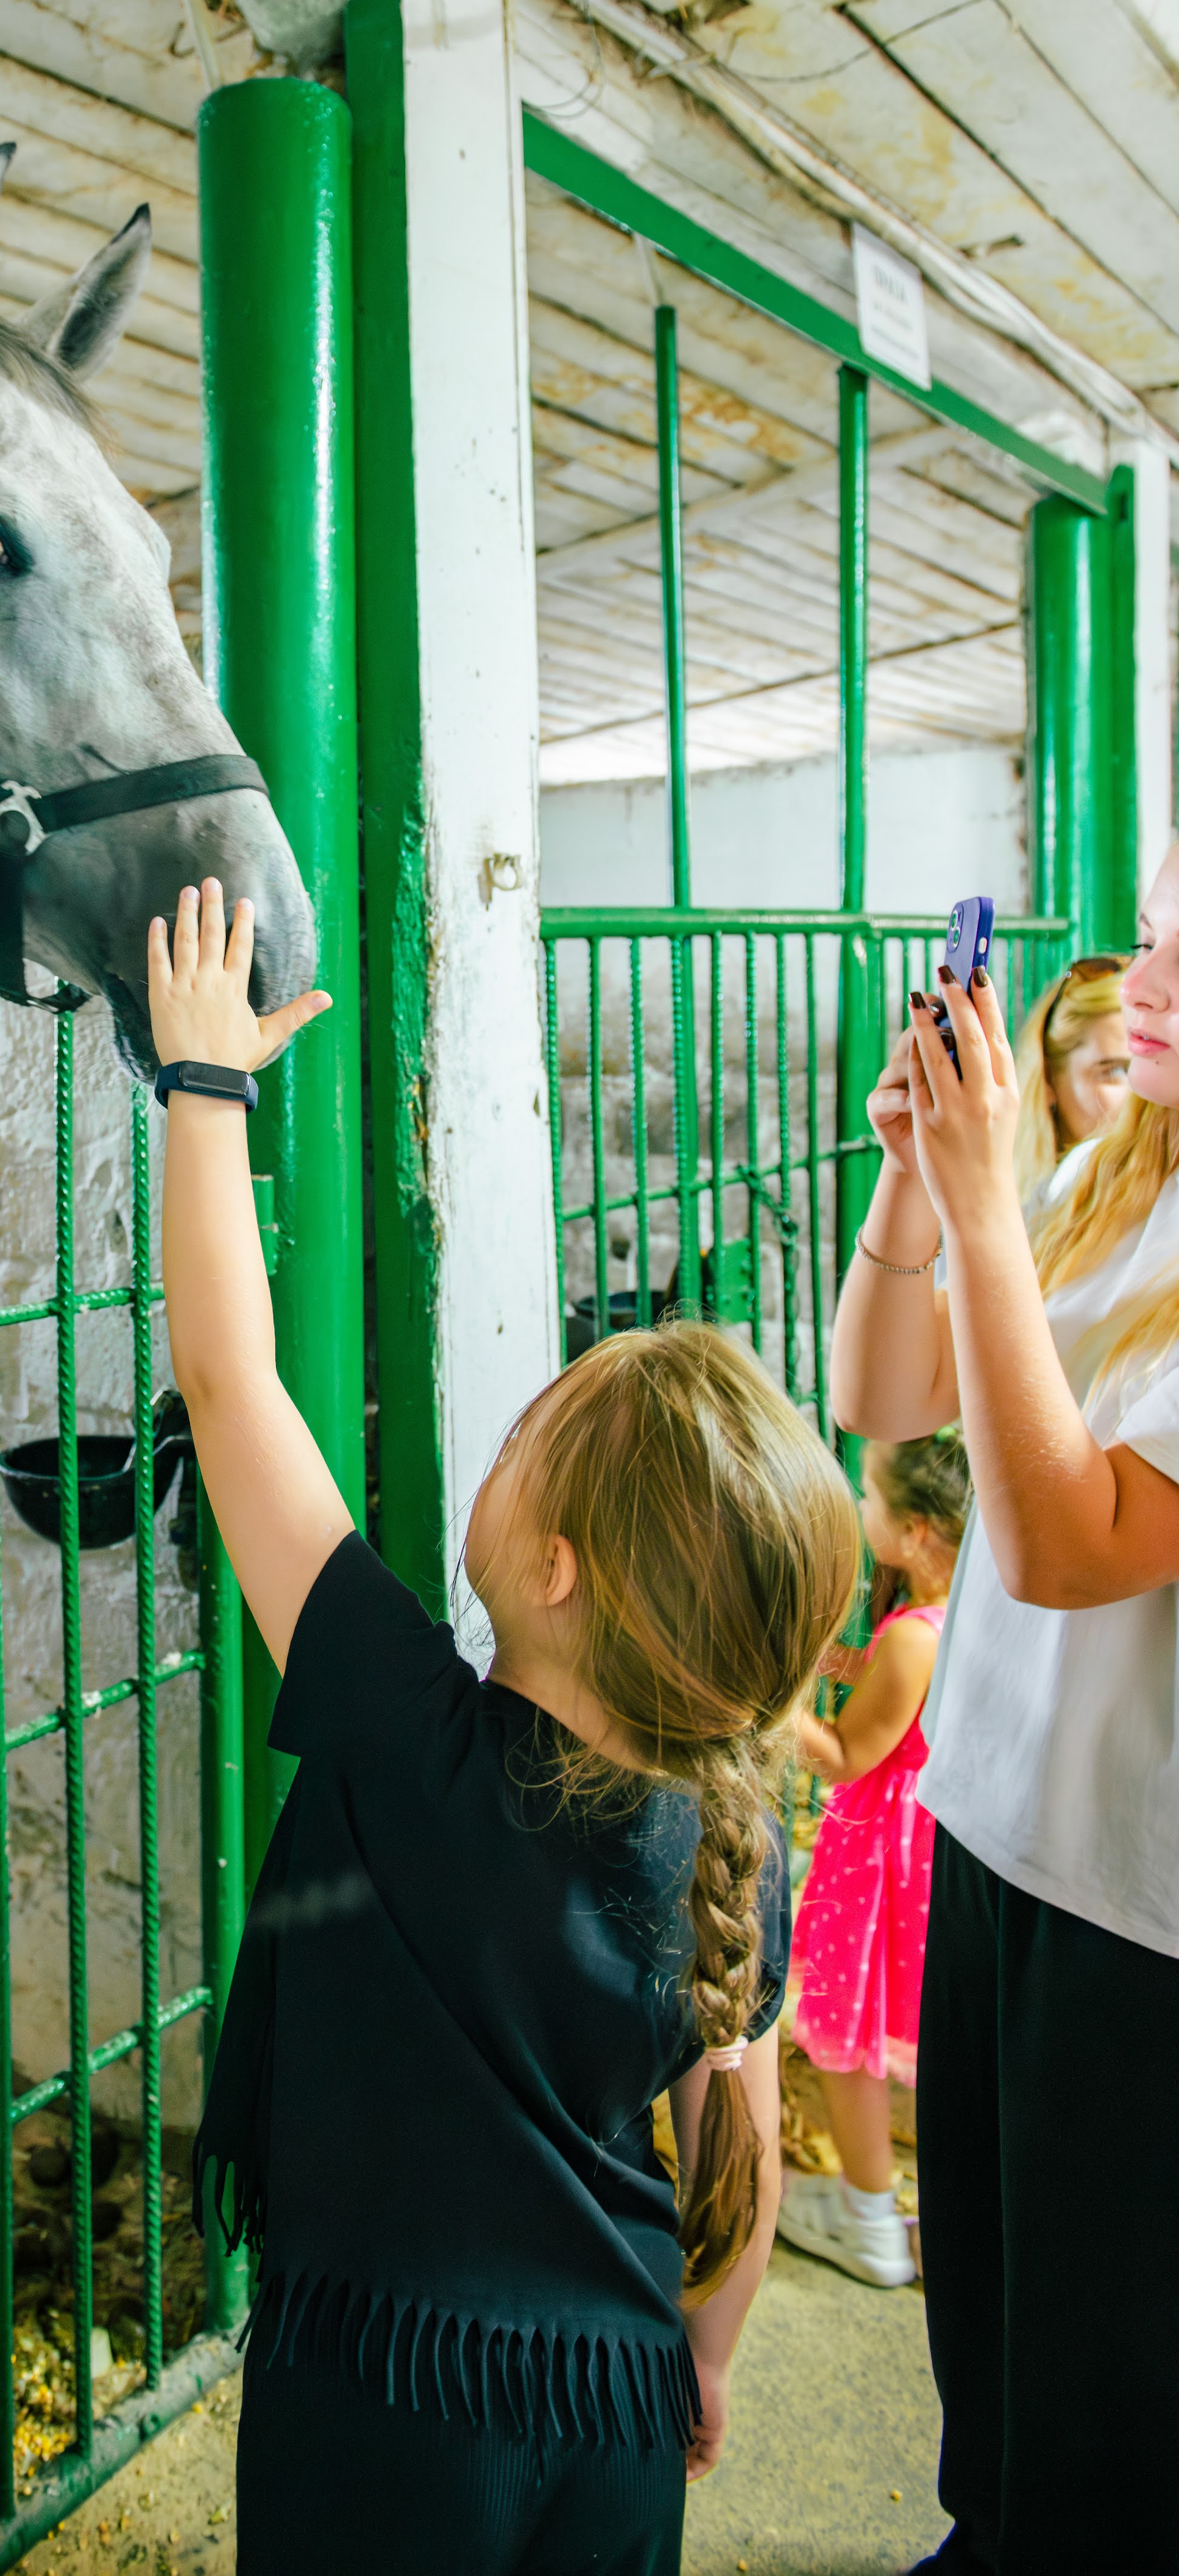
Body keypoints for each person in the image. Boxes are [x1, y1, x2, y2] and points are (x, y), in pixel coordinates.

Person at [155, 877, 860, 2576]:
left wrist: (201, 1085)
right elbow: (735, 2156)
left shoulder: (405, 1727)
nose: (506, 1427)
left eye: (529, 1427)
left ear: (551, 1564)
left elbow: (233, 1386)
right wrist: (701, 2356)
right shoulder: (730, 1839)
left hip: (387, 2396)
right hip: (618, 2400)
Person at [830, 850, 1179, 2576]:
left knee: (1112, 2371)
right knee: (986, 2304)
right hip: (992, 1826)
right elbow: (883, 1391)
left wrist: (981, 1206)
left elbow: (1059, 1546)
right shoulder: (1117, 1181)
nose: (1151, 984)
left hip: (1140, 1913)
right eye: (1164, 923)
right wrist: (914, 1178)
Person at [776, 1429, 969, 2290]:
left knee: (846, 2039)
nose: (861, 1510)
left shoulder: (911, 1640)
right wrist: (845, 1661)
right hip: (925, 1854)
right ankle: (922, 2212)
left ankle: (867, 2220)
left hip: (875, 1860)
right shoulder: (957, 1609)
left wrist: (774, 1700)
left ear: (918, 1530)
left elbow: (848, 1755)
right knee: (902, 2035)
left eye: (871, 1499)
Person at [1010, 952, 1128, 1199]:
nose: (1145, 1095)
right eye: (1115, 1071)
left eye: (1155, 1064)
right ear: (1049, 1078)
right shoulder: (1017, 1204)